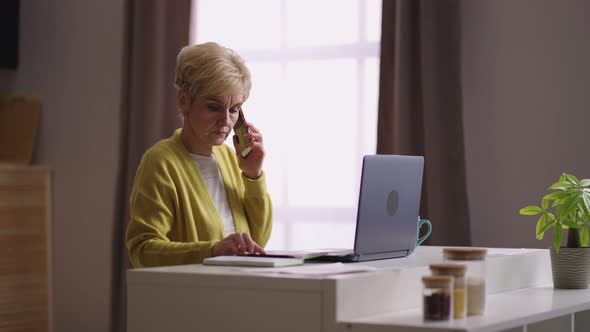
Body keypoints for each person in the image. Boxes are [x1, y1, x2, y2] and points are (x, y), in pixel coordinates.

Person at [126, 42, 272, 267]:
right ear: (183, 100)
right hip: (191, 298)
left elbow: (258, 240)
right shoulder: (160, 163)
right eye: (214, 107)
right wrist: (213, 250)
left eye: (234, 110)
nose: (226, 121)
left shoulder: (232, 160)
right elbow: (143, 250)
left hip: (235, 293)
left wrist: (254, 176)